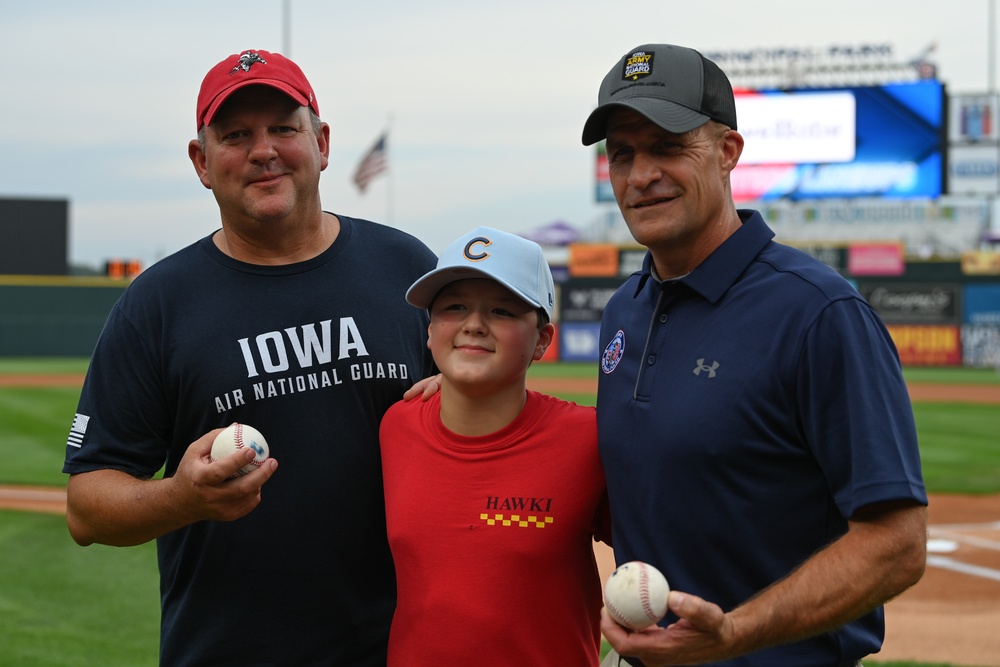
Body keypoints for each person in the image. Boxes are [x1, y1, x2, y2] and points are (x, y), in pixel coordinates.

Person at [62, 49, 437, 666]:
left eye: (283, 129)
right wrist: (181, 498)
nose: (264, 150)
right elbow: (86, 507)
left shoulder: (406, 270)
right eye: (236, 135)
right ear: (201, 161)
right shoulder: (158, 304)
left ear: (321, 142)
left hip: (400, 650)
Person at [581, 44, 928, 666]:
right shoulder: (624, 310)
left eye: (667, 146)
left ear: (727, 153)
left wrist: (735, 633)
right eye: (622, 154)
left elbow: (896, 544)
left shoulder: (818, 312)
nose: (640, 175)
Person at [380, 226, 611, 666]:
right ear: (430, 332)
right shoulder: (396, 426)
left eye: (502, 311)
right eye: (455, 307)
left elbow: (665, 552)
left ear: (542, 340)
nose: (473, 324)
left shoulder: (588, 440)